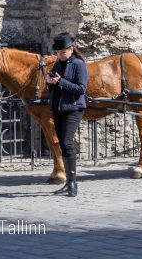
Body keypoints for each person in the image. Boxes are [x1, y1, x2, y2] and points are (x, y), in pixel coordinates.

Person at [46, 32, 88, 197]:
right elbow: (54, 86)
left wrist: (60, 82)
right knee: (62, 145)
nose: (61, 54)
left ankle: (73, 183)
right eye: (58, 52)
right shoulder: (57, 64)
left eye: (63, 51)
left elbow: (81, 89)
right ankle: (68, 182)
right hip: (58, 108)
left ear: (71, 49)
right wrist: (50, 83)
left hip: (74, 108)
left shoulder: (78, 64)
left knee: (67, 143)